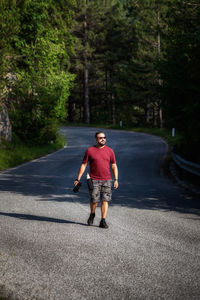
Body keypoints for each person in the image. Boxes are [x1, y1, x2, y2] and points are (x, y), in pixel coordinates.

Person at [74, 131, 118, 229]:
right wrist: (78, 178)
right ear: (96, 139)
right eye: (100, 138)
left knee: (105, 200)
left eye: (104, 137)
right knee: (94, 200)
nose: (103, 139)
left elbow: (114, 165)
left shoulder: (110, 151)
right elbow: (84, 164)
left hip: (107, 179)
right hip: (94, 180)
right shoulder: (90, 150)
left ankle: (103, 220)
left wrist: (116, 179)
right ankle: (92, 214)